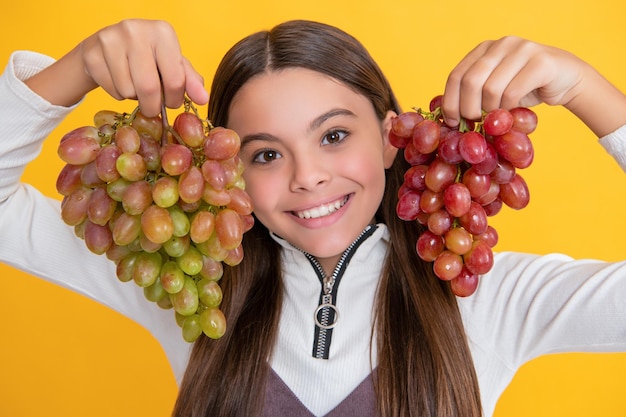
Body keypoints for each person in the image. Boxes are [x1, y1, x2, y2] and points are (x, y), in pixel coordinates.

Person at [1, 18, 625, 417]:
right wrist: (75, 70)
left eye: (332, 136)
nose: (306, 176)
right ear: (228, 171)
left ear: (390, 140)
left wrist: (588, 91)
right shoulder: (185, 283)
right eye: (266, 154)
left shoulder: (490, 297)